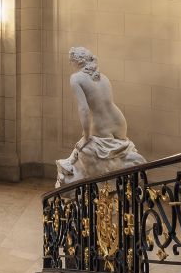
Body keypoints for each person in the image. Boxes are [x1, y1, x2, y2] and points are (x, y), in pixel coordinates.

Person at [55, 46, 146, 186]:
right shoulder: (102, 77)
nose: (70, 64)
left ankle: (78, 174)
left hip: (102, 126)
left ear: (77, 61)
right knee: (107, 152)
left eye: (71, 61)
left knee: (82, 146)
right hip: (120, 123)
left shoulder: (76, 79)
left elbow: (84, 110)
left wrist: (86, 136)